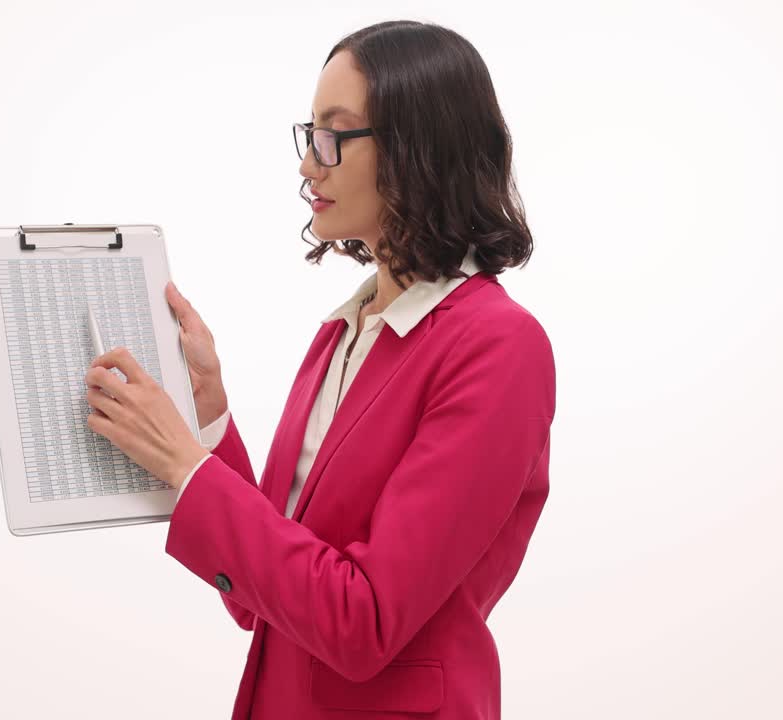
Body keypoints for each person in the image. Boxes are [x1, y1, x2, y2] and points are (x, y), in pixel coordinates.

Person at [84, 19, 555, 720]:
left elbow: (361, 621)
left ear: (417, 147)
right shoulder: (345, 331)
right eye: (310, 135)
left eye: (335, 135)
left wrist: (186, 468)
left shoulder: (497, 344)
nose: (310, 163)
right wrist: (208, 414)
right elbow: (258, 595)